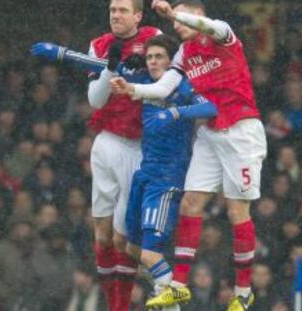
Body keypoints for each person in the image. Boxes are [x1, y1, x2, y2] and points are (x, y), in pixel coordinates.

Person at [112, 1, 267, 310]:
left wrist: (175, 14)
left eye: (183, 19)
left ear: (198, 15)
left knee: (237, 212)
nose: (176, 25)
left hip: (241, 129)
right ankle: (179, 285)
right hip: (210, 133)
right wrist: (132, 89)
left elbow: (211, 27)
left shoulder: (223, 34)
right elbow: (165, 86)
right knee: (191, 203)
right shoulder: (183, 53)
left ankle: (243, 291)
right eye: (174, 21)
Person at [31, 1, 161, 310]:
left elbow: (165, 81)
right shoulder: (99, 45)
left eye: (123, 11)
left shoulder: (154, 39)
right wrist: (111, 68)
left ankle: (121, 306)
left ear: (138, 16)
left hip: (138, 145)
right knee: (101, 232)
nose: (116, 15)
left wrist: (137, 76)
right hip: (105, 142)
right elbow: (96, 100)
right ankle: (111, 303)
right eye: (113, 10)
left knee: (124, 235)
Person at [109, 34, 217, 310]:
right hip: (144, 174)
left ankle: (173, 302)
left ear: (172, 62)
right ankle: (164, 288)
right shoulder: (144, 82)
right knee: (127, 246)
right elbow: (103, 68)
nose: (154, 62)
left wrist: (177, 113)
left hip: (168, 178)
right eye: (150, 57)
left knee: (148, 253)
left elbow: (210, 107)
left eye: (159, 57)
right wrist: (62, 54)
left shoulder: (183, 86)